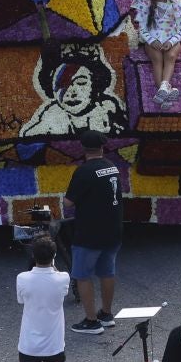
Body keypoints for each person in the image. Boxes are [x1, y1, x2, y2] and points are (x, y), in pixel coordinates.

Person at [64, 129, 122, 333]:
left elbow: (68, 202)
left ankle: (91, 321)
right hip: (113, 230)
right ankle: (106, 314)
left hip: (89, 233)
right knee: (107, 272)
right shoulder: (112, 167)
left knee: (82, 275)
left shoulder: (84, 171)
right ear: (102, 147)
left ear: (83, 149)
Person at [14, 237, 69, 362]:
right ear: (54, 256)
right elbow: (59, 279)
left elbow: (20, 300)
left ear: (33, 255)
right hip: (54, 345)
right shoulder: (63, 278)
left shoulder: (22, 278)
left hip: (29, 345)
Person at [131, 0, 181, 104]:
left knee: (171, 56)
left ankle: (164, 87)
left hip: (172, 39)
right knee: (157, 59)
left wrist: (171, 42)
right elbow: (142, 29)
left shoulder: (178, 6)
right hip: (152, 40)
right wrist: (152, 41)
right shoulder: (146, 6)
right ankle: (165, 91)